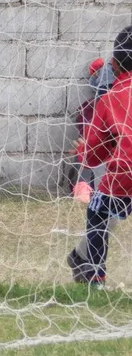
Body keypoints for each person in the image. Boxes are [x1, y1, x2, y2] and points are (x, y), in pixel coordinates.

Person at [67, 26, 132, 288]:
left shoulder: (110, 99)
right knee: (107, 212)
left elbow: (95, 152)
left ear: (114, 65)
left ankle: (94, 277)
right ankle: (79, 258)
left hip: (125, 172)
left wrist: (83, 151)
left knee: (98, 215)